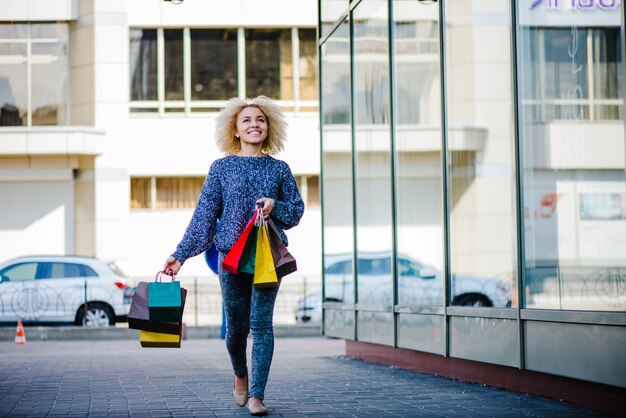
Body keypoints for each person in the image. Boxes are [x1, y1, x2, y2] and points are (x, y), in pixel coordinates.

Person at [163, 96, 304, 416]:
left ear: (269, 128)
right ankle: (240, 373)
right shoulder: (221, 168)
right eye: (247, 121)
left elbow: (295, 212)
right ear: (235, 130)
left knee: (262, 325)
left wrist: (275, 205)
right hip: (230, 259)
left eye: (261, 120)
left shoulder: (279, 169)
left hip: (268, 258)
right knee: (237, 329)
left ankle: (257, 394)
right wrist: (180, 255)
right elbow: (204, 216)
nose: (255, 124)